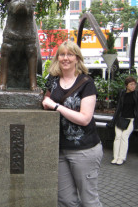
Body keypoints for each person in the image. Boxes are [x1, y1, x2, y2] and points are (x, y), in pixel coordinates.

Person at [42, 41, 103, 207]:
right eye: (62, 54)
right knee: (66, 200)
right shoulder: (52, 80)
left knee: (89, 200)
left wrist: (56, 106)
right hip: (60, 149)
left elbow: (85, 118)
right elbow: (45, 102)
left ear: (77, 58)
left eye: (70, 54)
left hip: (84, 149)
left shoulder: (86, 82)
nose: (65, 58)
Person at [107, 76, 138, 166]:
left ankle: (121, 158)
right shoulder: (122, 93)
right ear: (126, 85)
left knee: (124, 136)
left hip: (131, 120)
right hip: (121, 119)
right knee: (117, 137)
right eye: (131, 84)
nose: (133, 86)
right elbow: (118, 108)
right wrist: (114, 120)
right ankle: (115, 157)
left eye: (134, 84)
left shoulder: (137, 94)